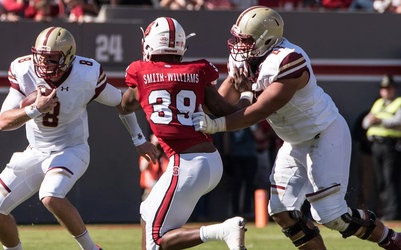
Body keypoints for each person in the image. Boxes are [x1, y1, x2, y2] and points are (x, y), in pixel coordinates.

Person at [193, 6, 401, 250]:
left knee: (332, 216)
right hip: (293, 141)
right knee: (282, 211)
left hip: (324, 133)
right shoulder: (244, 57)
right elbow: (225, 103)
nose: (239, 45)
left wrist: (215, 125)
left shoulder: (289, 59)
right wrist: (206, 108)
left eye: (245, 40)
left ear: (266, 38)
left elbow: (260, 111)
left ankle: (392, 239)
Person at [0, 26, 157, 250]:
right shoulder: (23, 69)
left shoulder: (86, 74)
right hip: (35, 152)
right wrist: (35, 109)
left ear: (68, 57)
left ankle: (91, 249)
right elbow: (3, 121)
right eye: (41, 57)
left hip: (70, 149)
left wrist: (139, 139)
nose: (43, 64)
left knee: (50, 195)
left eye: (52, 59)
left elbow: (121, 103)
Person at [120, 17, 248, 250]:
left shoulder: (140, 71)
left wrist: (138, 139)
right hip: (207, 160)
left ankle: (223, 230)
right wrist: (246, 94)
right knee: (148, 211)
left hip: (187, 164)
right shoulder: (197, 70)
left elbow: (124, 106)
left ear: (148, 43)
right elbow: (223, 111)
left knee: (157, 240)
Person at [362, 74, 401, 221]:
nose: (386, 91)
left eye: (389, 88)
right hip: (376, 145)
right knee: (381, 180)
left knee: (390, 178)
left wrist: (379, 120)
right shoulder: (378, 103)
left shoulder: (398, 102)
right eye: (383, 88)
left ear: (394, 89)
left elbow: (398, 121)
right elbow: (365, 123)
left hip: (391, 145)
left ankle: (394, 213)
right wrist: (376, 120)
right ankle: (387, 211)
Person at [139, 134, 168, 201]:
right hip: (150, 190)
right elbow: (143, 167)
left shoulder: (165, 156)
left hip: (162, 191)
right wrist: (153, 145)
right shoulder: (147, 154)